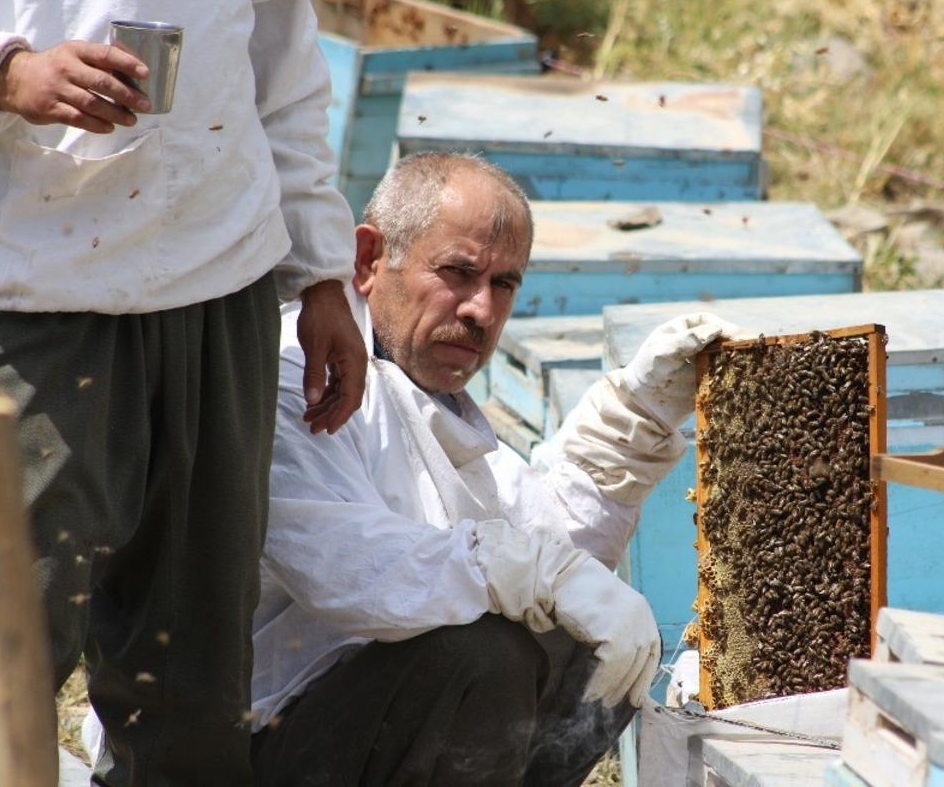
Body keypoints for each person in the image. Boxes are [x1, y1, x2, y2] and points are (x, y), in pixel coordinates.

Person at [0, 0, 366, 785]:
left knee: (193, 682)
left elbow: (281, 56)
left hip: (220, 283)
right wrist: (1, 72)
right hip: (28, 292)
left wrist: (321, 272)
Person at [246, 152, 735, 786]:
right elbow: (342, 563)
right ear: (369, 260)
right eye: (457, 272)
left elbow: (546, 539)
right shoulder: (300, 371)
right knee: (483, 654)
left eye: (504, 283)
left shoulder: (424, 394)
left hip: (349, 728)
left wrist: (634, 418)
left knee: (583, 639)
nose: (481, 309)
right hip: (247, 745)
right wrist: (533, 573)